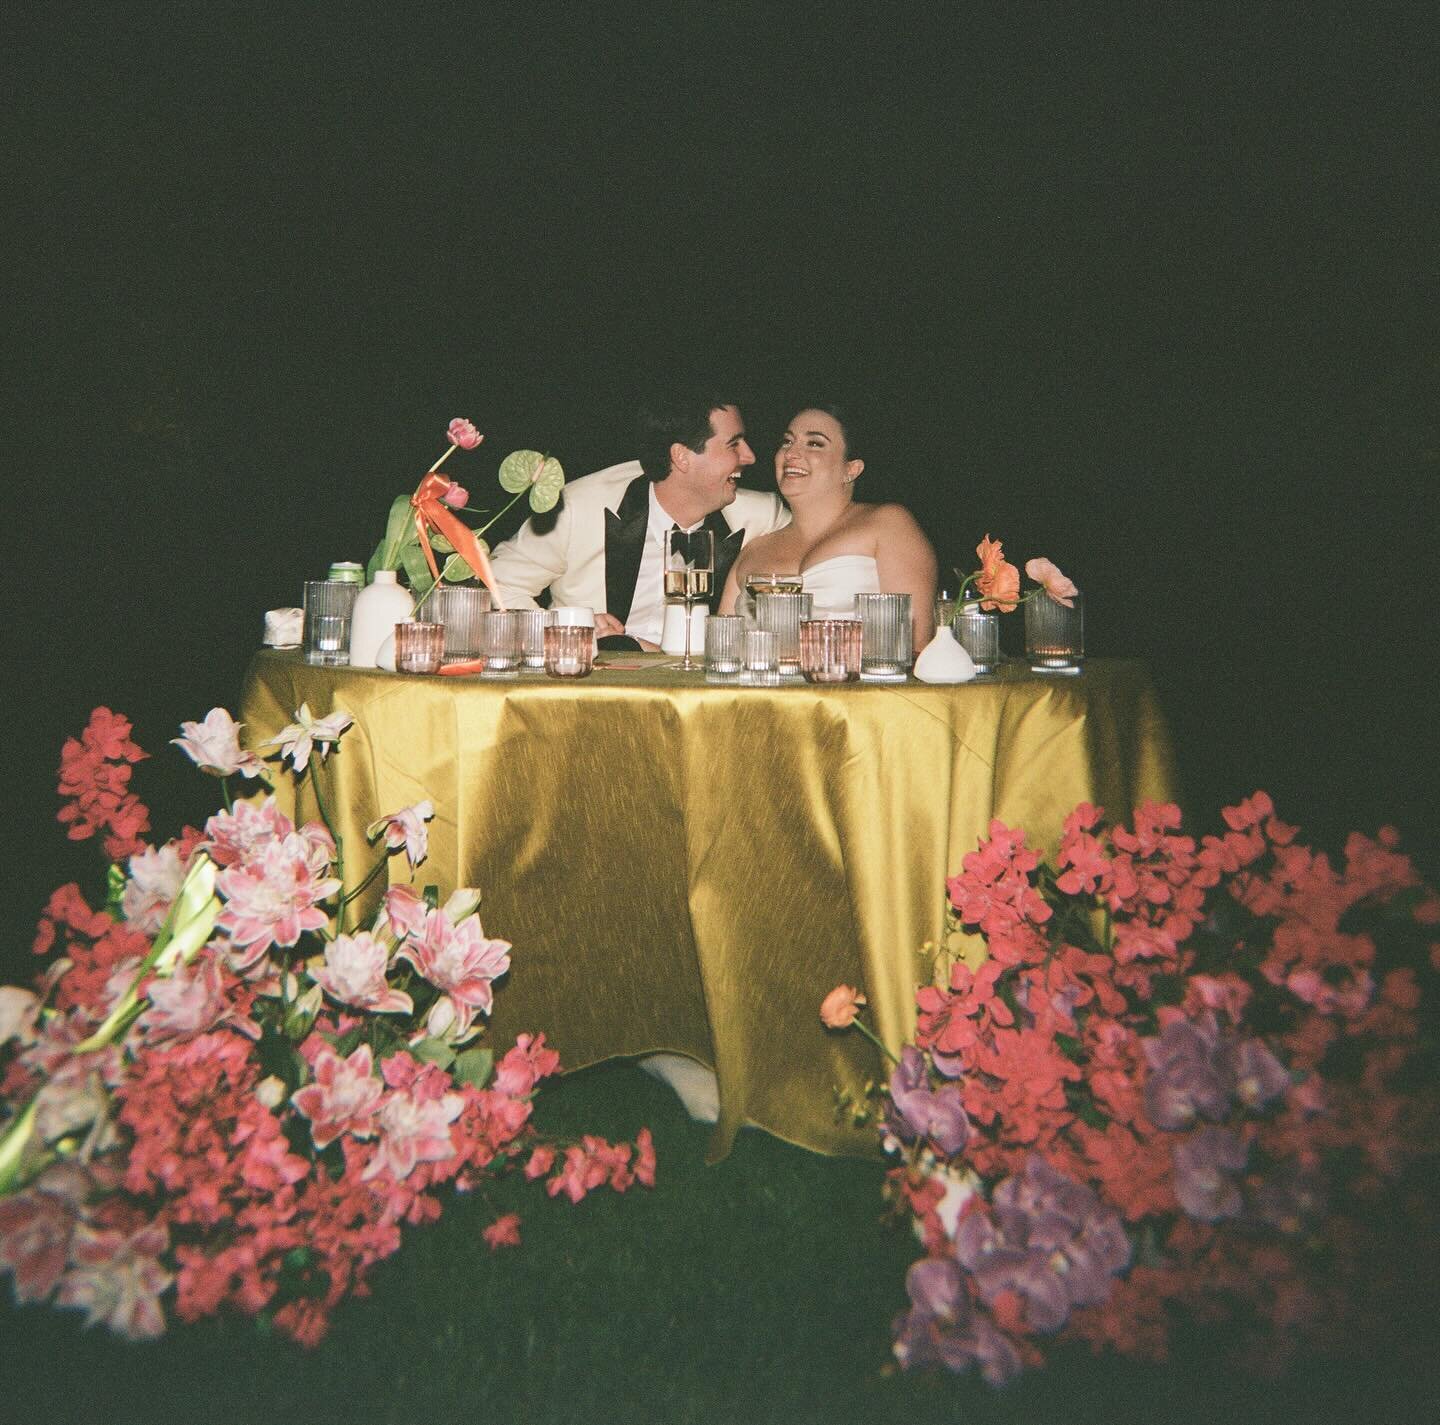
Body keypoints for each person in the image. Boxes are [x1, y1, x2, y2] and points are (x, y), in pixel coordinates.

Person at [488, 393, 790, 647]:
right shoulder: (580, 507)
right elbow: (496, 587)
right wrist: (570, 629)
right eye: (734, 444)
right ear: (681, 456)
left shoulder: (762, 516)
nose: (750, 456)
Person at [719, 404, 938, 647]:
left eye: (814, 443)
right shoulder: (753, 549)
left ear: (851, 469)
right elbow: (721, 645)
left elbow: (917, 644)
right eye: (787, 442)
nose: (791, 453)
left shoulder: (887, 524)